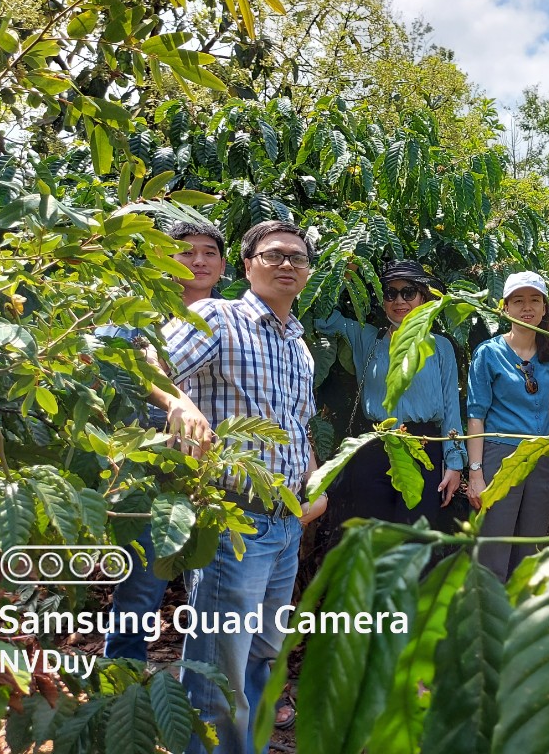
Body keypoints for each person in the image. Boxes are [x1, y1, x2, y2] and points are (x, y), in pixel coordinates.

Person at [152, 220, 327, 754]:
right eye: (273, 255)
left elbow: (299, 427)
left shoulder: (301, 347)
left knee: (261, 655)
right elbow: (146, 358)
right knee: (219, 663)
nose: (286, 265)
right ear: (247, 265)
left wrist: (317, 482)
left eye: (297, 258)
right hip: (235, 517)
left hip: (286, 525)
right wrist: (178, 403)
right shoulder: (218, 318)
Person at [102, 219, 226, 662]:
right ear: (162, 258)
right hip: (151, 475)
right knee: (140, 590)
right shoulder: (138, 317)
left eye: (209, 251)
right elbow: (111, 366)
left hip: (218, 477)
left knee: (217, 596)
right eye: (186, 250)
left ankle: (204, 699)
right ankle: (120, 689)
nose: (198, 260)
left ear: (225, 263)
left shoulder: (233, 321)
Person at [314, 259, 465, 530]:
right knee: (371, 537)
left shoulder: (441, 347)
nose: (399, 301)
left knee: (413, 538)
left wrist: (454, 463)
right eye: (390, 293)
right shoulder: (366, 338)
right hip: (374, 447)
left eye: (408, 292)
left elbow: (451, 409)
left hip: (424, 448)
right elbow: (322, 318)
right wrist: (345, 275)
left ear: (423, 297)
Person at [465, 271, 549, 582]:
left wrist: (544, 442)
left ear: (545, 308)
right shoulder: (489, 354)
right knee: (494, 543)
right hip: (499, 456)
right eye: (518, 301)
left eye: (535, 300)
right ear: (505, 307)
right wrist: (476, 472)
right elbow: (476, 415)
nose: (527, 307)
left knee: (531, 544)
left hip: (540, 457)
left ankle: (523, 618)